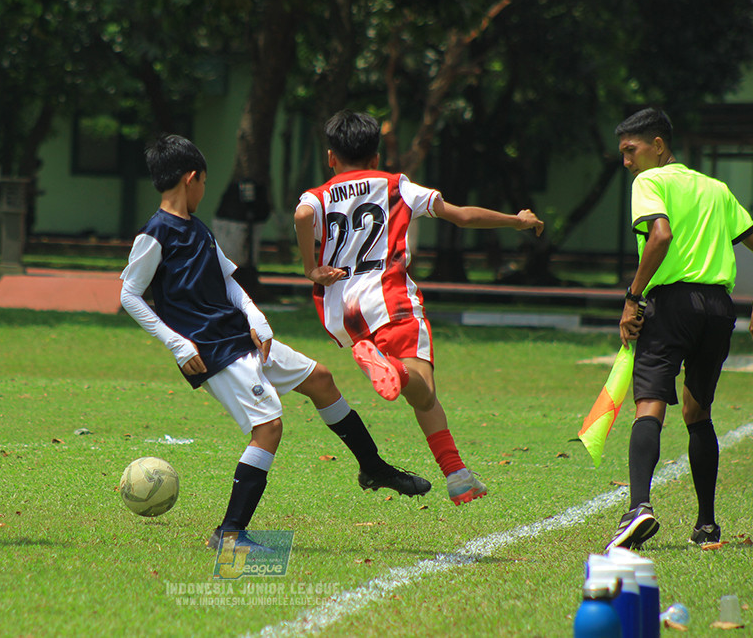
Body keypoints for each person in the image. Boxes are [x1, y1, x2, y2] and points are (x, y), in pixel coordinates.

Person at [120, 134, 431, 550]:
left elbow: (228, 281)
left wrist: (257, 318)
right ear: (191, 178)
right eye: (204, 183)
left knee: (321, 379)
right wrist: (177, 344)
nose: (204, 190)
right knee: (268, 427)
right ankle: (229, 535)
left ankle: (373, 468)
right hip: (211, 351)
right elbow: (129, 294)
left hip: (239, 337)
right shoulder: (156, 233)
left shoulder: (197, 228)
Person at [294, 110, 544, 506]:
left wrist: (311, 268)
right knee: (423, 389)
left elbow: (302, 214)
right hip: (390, 299)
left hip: (345, 310)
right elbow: (461, 216)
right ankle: (393, 371)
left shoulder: (318, 195)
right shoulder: (396, 185)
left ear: (331, 158)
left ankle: (457, 475)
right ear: (375, 157)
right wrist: (516, 221)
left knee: (420, 394)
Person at [606, 107, 753, 550]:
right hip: (718, 309)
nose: (626, 161)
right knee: (697, 411)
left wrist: (633, 297)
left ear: (658, 146)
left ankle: (639, 507)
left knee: (649, 403)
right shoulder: (716, 188)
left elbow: (661, 236)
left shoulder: (649, 182)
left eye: (631, 150)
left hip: (671, 305)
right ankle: (706, 525)